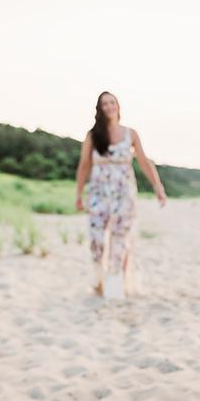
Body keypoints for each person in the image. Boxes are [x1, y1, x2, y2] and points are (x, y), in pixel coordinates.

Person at [75, 91, 166, 299]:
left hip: (124, 195)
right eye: (104, 103)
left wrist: (158, 187)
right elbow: (83, 166)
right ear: (99, 108)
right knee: (96, 240)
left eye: (112, 102)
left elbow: (144, 161)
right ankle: (98, 282)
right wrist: (78, 194)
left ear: (118, 106)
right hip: (98, 193)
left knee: (120, 240)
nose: (109, 106)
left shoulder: (130, 134)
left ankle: (115, 287)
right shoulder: (93, 135)